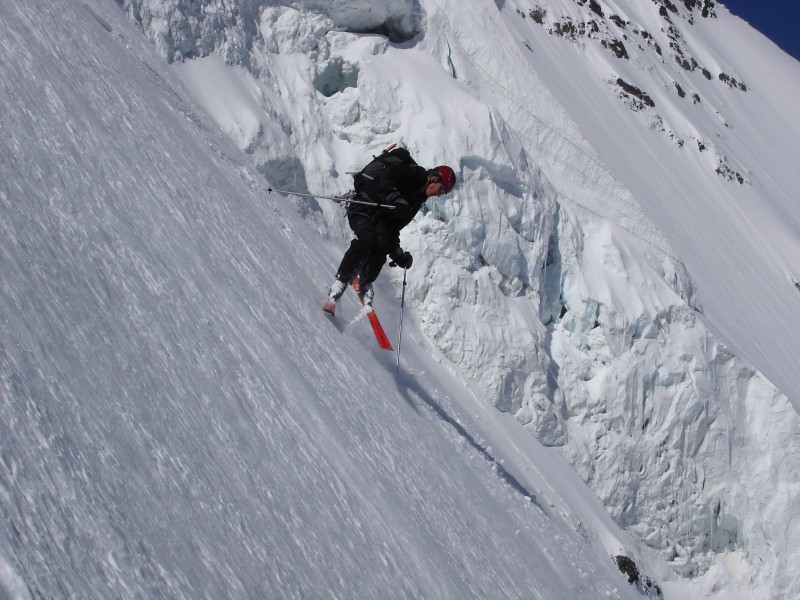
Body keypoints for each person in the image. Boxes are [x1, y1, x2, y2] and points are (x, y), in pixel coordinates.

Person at [325, 145, 456, 311]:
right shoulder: (414, 173)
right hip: (363, 205)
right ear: (434, 179)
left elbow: (393, 228)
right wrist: (396, 198)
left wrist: (397, 254)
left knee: (383, 243)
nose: (440, 194)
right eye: (442, 189)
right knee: (368, 239)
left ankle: (365, 281)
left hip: (379, 218)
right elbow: (386, 177)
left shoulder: (416, 202)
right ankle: (339, 284)